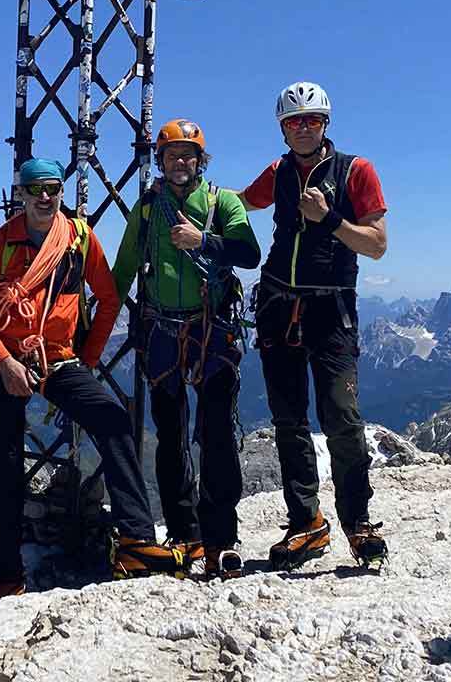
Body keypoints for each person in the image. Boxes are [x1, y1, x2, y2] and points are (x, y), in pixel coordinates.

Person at [0, 157, 170, 606]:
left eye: (53, 188)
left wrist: (88, 359)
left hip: (59, 359)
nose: (45, 196)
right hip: (7, 363)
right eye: (35, 188)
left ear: (61, 191)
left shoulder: (78, 237)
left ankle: (136, 539)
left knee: (113, 420)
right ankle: (7, 574)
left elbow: (109, 297)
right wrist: (4, 362)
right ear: (21, 194)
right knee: (6, 462)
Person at [242, 82, 390, 570]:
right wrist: (191, 193)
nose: (302, 128)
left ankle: (357, 521)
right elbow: (241, 202)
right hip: (278, 306)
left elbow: (376, 244)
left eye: (311, 120)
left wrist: (328, 220)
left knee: (341, 418)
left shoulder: (355, 171)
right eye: (293, 121)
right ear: (283, 129)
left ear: (325, 124)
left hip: (331, 310)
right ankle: (306, 521)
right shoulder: (278, 172)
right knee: (288, 420)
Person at [111, 119, 260, 580]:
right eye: (172, 155)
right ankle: (184, 534)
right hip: (162, 332)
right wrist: (95, 329)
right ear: (160, 161)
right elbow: (124, 268)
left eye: (188, 155)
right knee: (171, 436)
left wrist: (204, 241)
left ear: (200, 161)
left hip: (211, 331)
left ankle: (221, 539)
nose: (180, 162)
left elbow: (249, 253)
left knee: (215, 435)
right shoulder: (147, 208)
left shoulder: (222, 202)